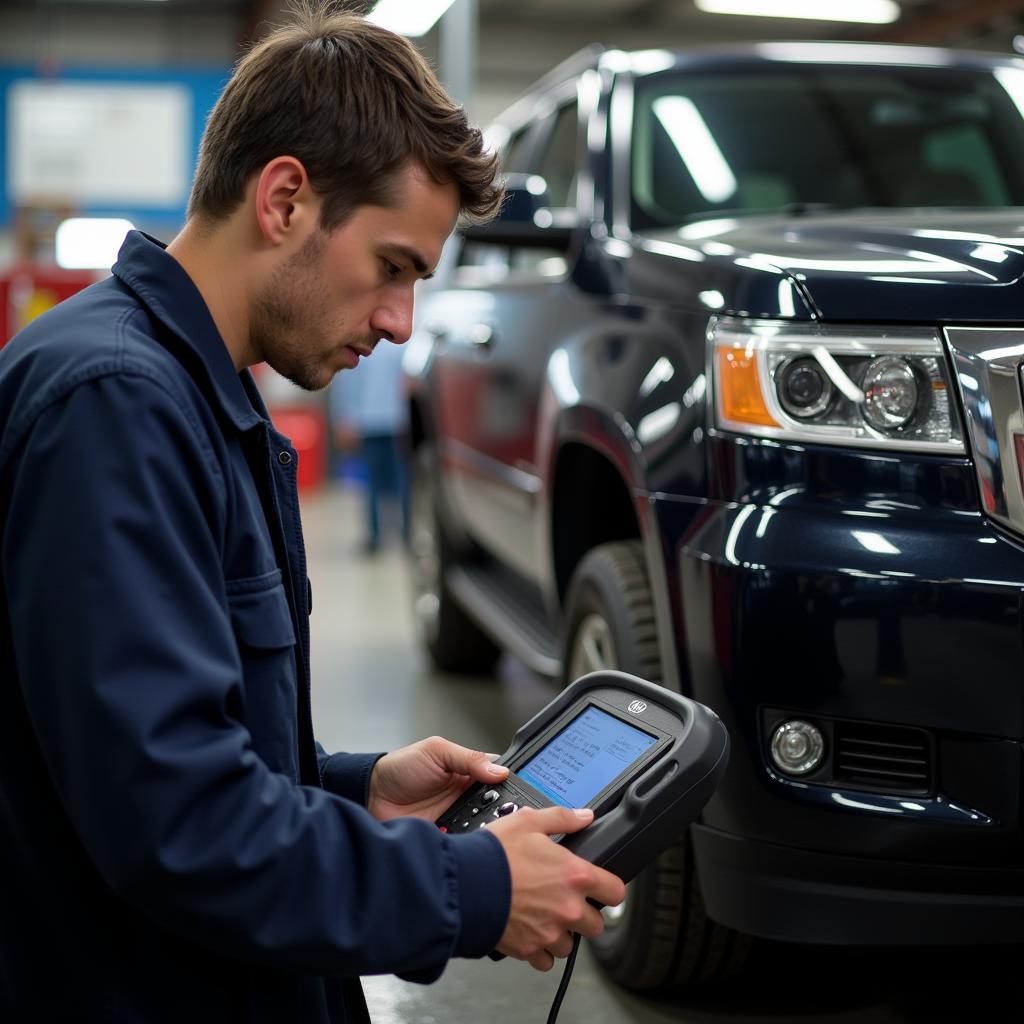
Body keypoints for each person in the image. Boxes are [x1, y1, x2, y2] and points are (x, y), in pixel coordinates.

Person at [0, 5, 625, 1022]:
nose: (399, 322)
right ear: (285, 198)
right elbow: (177, 824)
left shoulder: (201, 398)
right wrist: (471, 888)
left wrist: (356, 788)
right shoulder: (115, 405)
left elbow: (177, 751)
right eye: (392, 266)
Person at [329, 337, 410, 552]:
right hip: (392, 421)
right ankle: (403, 535)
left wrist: (344, 417)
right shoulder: (400, 347)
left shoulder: (361, 345)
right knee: (397, 479)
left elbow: (345, 383)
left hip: (378, 422)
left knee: (382, 481)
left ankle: (380, 536)